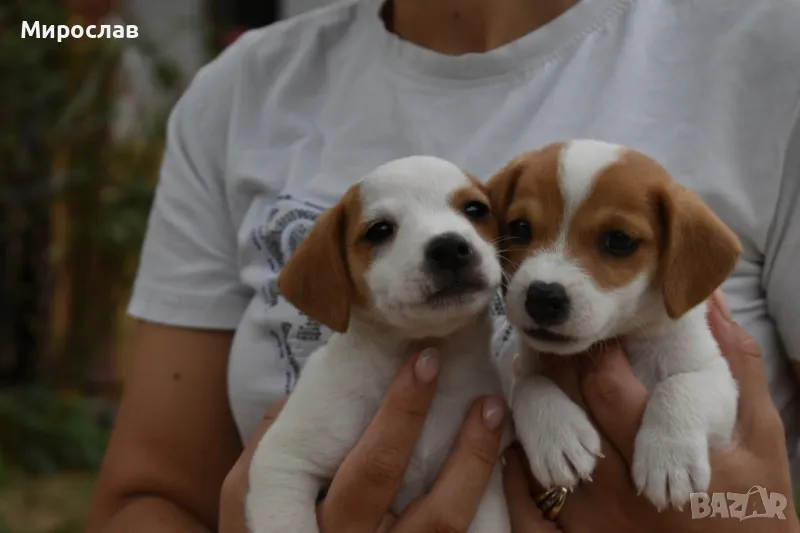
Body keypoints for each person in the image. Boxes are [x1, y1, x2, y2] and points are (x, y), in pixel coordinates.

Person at [85, 0, 800, 531]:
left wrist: (760, 514)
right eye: (518, 230)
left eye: (474, 217)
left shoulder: (770, 52)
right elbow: (151, 498)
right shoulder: (238, 93)